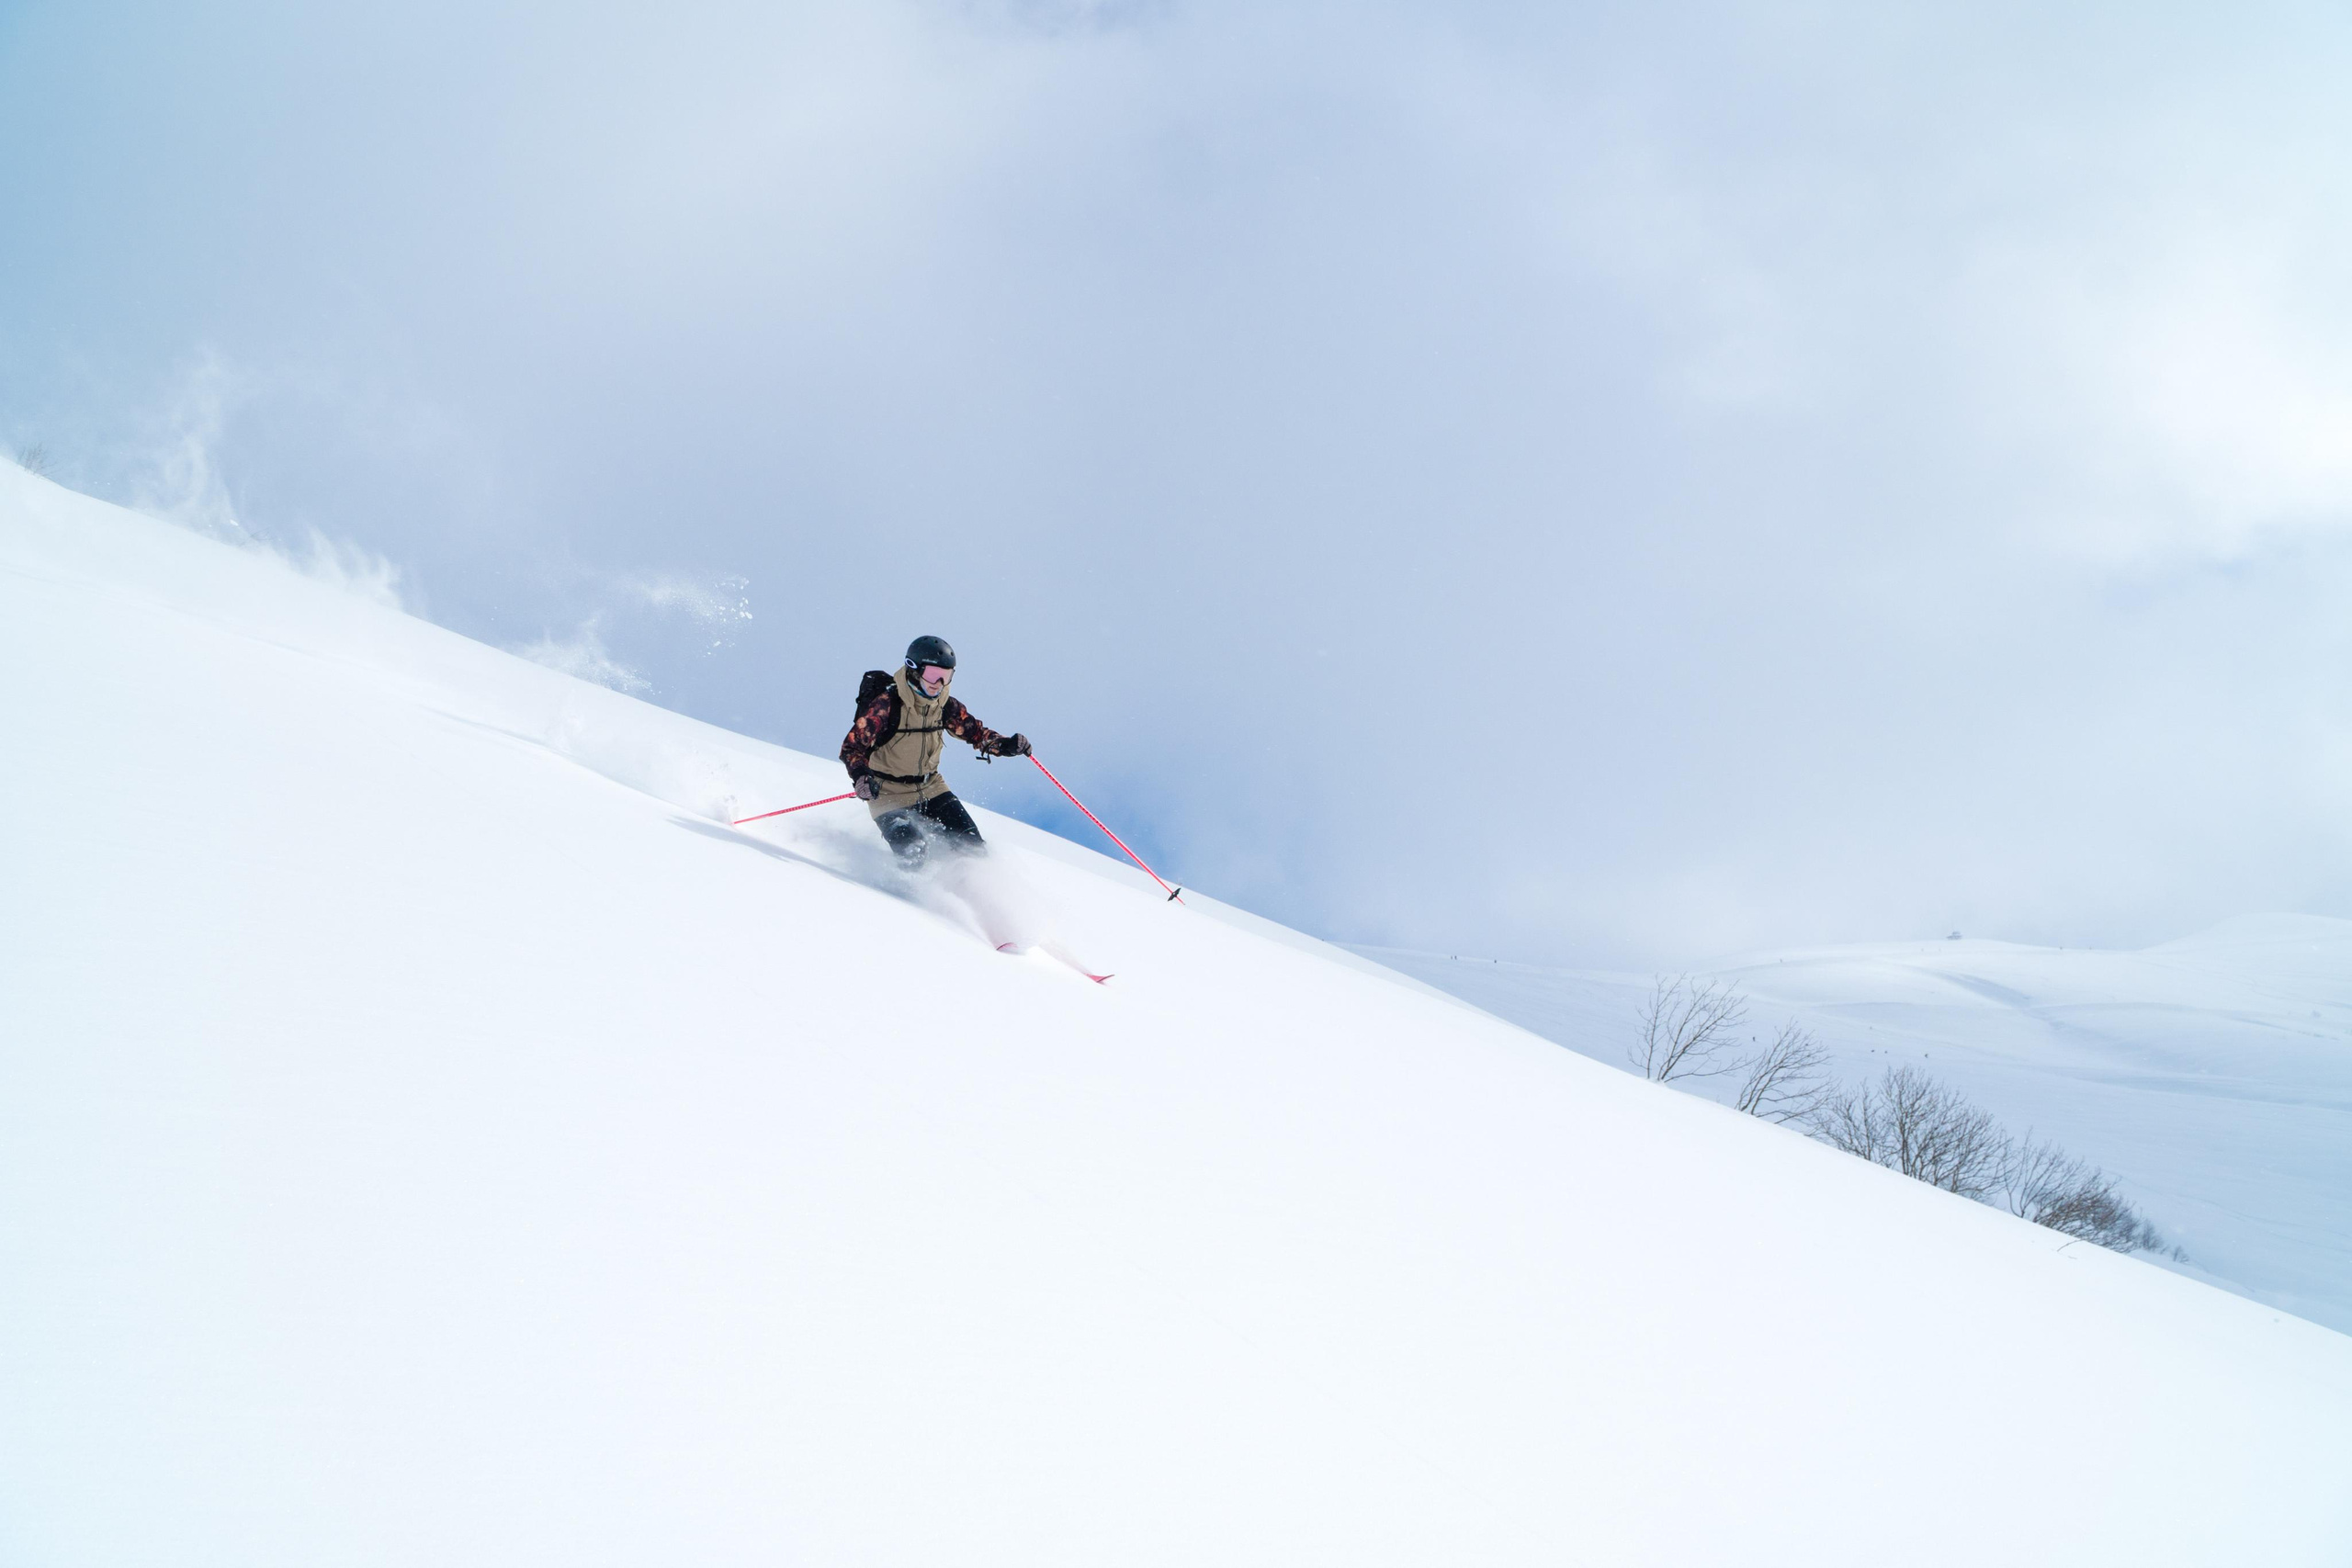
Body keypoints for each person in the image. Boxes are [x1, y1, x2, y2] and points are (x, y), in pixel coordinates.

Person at [841, 635, 1030, 863]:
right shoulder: (888, 704)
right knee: (915, 853)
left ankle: (972, 893)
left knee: (972, 848)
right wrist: (861, 777)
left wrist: (1005, 745)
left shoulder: (944, 705)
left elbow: (976, 733)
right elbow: (852, 747)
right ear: (914, 669)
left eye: (945, 676)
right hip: (888, 793)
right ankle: (902, 894)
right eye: (932, 674)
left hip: (931, 787)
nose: (938, 683)